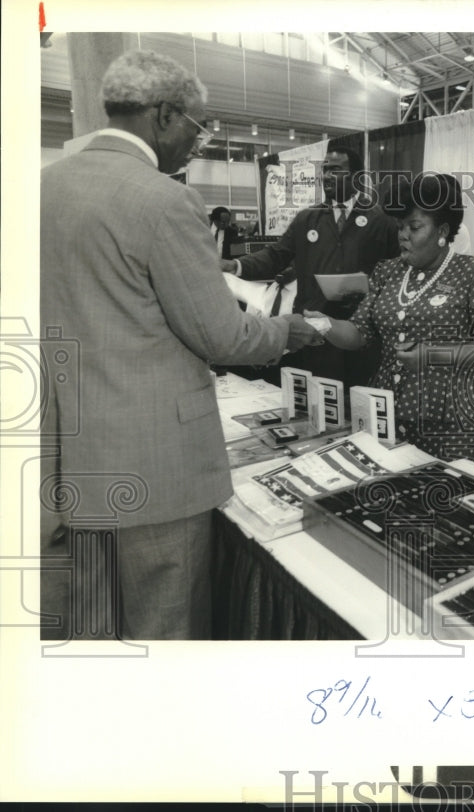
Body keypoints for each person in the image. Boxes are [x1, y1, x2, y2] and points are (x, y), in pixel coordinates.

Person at [39, 49, 321, 640]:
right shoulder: (165, 200)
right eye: (199, 125)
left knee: (89, 628)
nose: (201, 140)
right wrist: (287, 332)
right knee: (162, 632)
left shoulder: (44, 187)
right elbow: (220, 332)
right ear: (164, 115)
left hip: (65, 454)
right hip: (155, 468)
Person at [311, 173, 474, 464]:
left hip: (453, 417)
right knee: (395, 489)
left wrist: (431, 355)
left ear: (442, 230)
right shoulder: (388, 271)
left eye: (414, 227)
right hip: (390, 408)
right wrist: (323, 324)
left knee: (447, 496)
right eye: (400, 227)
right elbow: (359, 332)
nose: (403, 235)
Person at [222, 142, 399, 388]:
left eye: (335, 170)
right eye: (324, 169)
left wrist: (374, 291)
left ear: (356, 177)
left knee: (359, 399)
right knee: (321, 401)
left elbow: (397, 270)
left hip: (362, 332)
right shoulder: (308, 219)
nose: (326, 175)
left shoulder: (380, 220)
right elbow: (275, 255)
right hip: (315, 329)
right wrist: (236, 266)